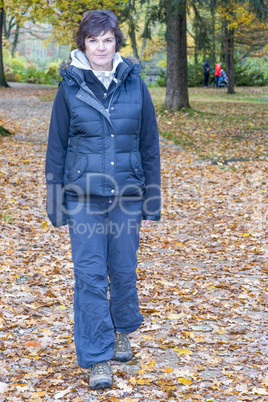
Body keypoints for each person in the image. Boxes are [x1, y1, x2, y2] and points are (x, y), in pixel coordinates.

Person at [45, 9, 161, 390]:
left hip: (126, 196)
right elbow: (57, 147)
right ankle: (97, 357)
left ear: (116, 44)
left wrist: (151, 200)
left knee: (124, 271)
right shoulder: (70, 87)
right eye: (93, 40)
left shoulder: (135, 85)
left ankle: (122, 330)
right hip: (83, 198)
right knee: (90, 276)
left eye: (107, 40)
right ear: (83, 44)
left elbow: (149, 146)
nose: (100, 47)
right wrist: (55, 200)